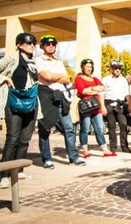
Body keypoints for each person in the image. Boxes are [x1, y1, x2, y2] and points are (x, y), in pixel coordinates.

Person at [0, 33, 38, 188]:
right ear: (19, 44)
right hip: (14, 101)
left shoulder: (34, 62)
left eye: (33, 43)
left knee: (25, 140)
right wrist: (4, 79)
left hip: (30, 102)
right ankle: (4, 174)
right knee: (13, 138)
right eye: (28, 43)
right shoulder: (11, 58)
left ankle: (18, 170)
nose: (31, 46)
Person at [36, 35, 85, 169]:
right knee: (45, 128)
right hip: (46, 96)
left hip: (60, 96)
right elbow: (46, 76)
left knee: (69, 128)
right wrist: (55, 77)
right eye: (47, 44)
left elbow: (67, 79)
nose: (51, 46)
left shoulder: (58, 61)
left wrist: (53, 76)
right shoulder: (38, 60)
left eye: (53, 44)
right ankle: (47, 159)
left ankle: (73, 156)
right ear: (42, 46)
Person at [74, 58, 116, 158]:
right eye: (87, 66)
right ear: (83, 67)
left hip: (96, 107)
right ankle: (85, 150)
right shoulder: (79, 78)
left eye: (91, 67)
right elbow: (82, 91)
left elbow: (102, 88)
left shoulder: (96, 79)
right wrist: (94, 89)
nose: (89, 68)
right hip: (86, 107)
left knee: (99, 129)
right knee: (84, 128)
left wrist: (90, 90)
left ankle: (105, 150)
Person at [102, 59, 131, 153]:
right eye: (115, 68)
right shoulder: (105, 79)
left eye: (119, 68)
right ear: (111, 69)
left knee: (123, 125)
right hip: (109, 104)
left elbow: (127, 93)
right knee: (111, 126)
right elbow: (102, 94)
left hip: (120, 105)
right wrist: (102, 107)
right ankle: (113, 147)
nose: (117, 70)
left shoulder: (123, 80)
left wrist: (130, 106)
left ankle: (124, 146)